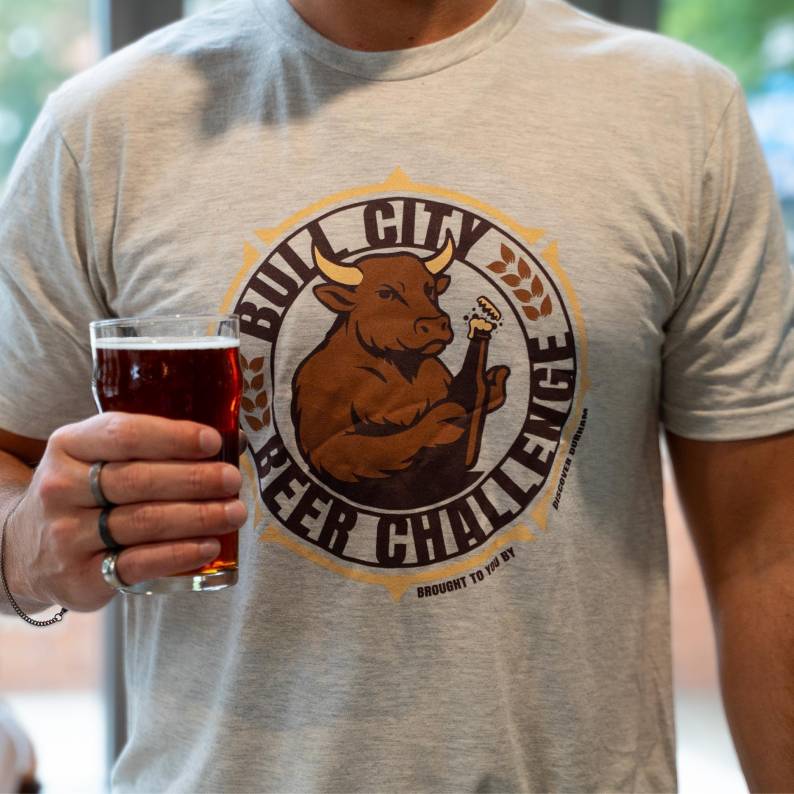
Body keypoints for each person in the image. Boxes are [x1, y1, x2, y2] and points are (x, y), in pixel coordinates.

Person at [0, 0, 792, 791]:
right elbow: (10, 474)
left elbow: (768, 556)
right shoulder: (103, 127)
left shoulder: (680, 112)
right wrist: (31, 548)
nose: (430, 325)